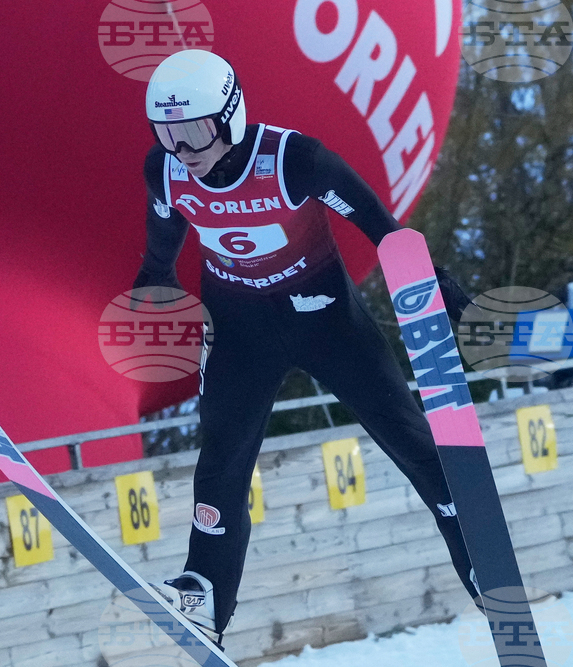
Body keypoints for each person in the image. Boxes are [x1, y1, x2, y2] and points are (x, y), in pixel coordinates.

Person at [133, 50, 478, 648]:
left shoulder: (295, 160)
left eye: (194, 131)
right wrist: (155, 277)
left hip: (326, 320)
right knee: (221, 457)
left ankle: (477, 555)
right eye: (167, 133)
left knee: (405, 435)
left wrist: (440, 289)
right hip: (241, 330)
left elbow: (381, 227)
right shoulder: (164, 170)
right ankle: (205, 589)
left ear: (231, 115)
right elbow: (165, 230)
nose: (182, 149)